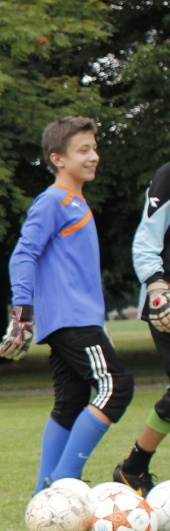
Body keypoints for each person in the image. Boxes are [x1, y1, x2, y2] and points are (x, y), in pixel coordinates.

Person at [0, 116, 134, 493]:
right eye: (84, 150)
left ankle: (44, 496)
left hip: (76, 320)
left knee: (71, 402)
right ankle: (63, 482)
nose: (94, 156)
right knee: (117, 386)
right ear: (58, 158)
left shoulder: (77, 203)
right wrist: (22, 312)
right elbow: (23, 255)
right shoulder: (54, 200)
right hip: (71, 320)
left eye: (94, 148)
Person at [112, 161, 170, 495]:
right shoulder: (168, 176)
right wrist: (156, 284)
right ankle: (133, 467)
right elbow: (146, 239)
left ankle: (134, 467)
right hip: (166, 300)